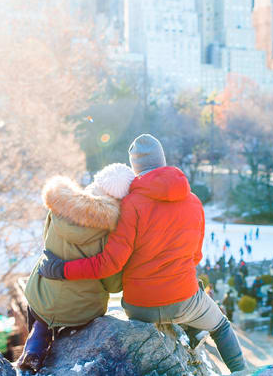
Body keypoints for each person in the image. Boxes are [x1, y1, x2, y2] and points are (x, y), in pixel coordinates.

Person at [37, 134, 246, 372]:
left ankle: (192, 328)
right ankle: (240, 369)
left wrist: (61, 269)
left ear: (135, 167)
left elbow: (109, 264)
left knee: (190, 295)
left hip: (139, 306)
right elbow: (195, 256)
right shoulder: (194, 202)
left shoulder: (131, 205)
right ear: (163, 161)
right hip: (183, 299)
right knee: (220, 326)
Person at [17, 163, 134, 371]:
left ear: (96, 182)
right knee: (72, 306)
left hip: (44, 299)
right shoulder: (112, 231)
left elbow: (48, 244)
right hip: (83, 311)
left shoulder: (60, 208)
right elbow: (112, 284)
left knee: (40, 301)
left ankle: (38, 338)